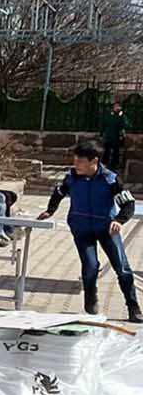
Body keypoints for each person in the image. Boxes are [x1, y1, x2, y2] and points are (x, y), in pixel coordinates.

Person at [43, 137, 141, 322]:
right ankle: (90, 296)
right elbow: (58, 193)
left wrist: (120, 220)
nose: (76, 164)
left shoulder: (110, 180)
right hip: (81, 230)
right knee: (90, 266)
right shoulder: (71, 178)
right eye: (75, 159)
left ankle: (133, 307)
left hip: (106, 229)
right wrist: (50, 210)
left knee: (122, 268)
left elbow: (128, 203)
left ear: (94, 161)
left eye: (80, 161)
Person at [101, 100, 127, 175]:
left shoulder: (122, 116)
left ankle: (114, 165)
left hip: (116, 136)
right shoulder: (109, 115)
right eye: (115, 106)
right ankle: (104, 164)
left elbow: (124, 125)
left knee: (116, 151)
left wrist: (121, 117)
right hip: (109, 135)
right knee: (107, 150)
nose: (117, 107)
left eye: (118, 106)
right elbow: (104, 123)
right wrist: (102, 133)